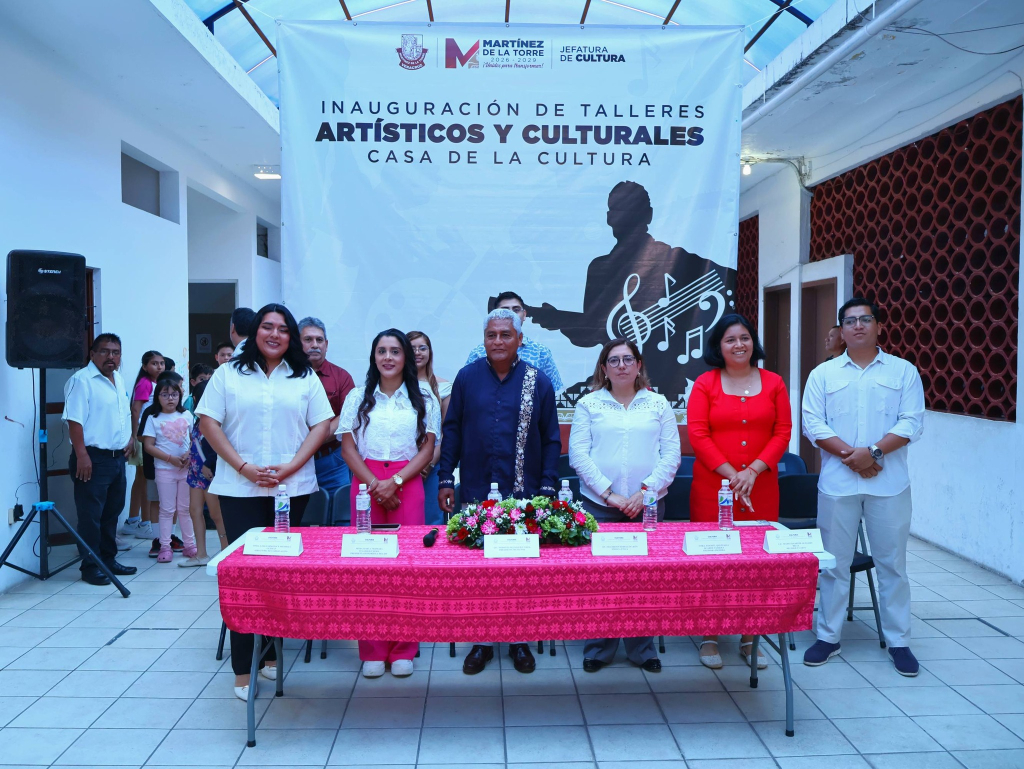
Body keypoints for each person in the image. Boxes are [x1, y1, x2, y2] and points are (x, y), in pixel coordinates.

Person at [197, 303, 334, 700]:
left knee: (278, 574)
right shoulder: (228, 374)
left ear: (291, 337)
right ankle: (244, 667)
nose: (275, 334)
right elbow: (208, 422)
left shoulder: (304, 376)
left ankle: (272, 654)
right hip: (239, 489)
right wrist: (242, 467)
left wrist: (292, 466)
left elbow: (322, 424)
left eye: (283, 329)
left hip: (292, 490)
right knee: (243, 577)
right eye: (267, 327)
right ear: (255, 331)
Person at [525, 181, 736, 405]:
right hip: (615, 378)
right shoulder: (600, 268)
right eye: (616, 210)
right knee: (562, 405)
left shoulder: (675, 259)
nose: (622, 217)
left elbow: (726, 279)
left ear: (648, 215)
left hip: (666, 382)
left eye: (630, 210)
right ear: (609, 217)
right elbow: (592, 332)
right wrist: (554, 318)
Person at [801, 297, 925, 677]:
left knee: (892, 565)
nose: (858, 326)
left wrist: (872, 453)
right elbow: (813, 424)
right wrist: (853, 456)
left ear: (878, 326)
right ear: (841, 330)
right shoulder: (823, 375)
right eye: (850, 321)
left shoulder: (903, 371)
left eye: (865, 319)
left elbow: (912, 422)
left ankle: (899, 641)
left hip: (889, 485)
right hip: (838, 484)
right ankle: (828, 637)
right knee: (834, 564)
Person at [439, 308, 561, 675]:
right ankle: (482, 641)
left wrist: (548, 485)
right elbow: (452, 430)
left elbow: (551, 440)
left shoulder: (537, 381)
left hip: (525, 492)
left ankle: (519, 640)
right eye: (491, 335)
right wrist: (445, 479)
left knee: (519, 570)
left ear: (519, 340)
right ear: (484, 339)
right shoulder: (467, 378)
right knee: (480, 570)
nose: (498, 341)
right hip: (476, 490)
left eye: (506, 334)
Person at [687, 314, 792, 670]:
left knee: (756, 563)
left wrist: (753, 471)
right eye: (730, 339)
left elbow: (783, 432)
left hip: (760, 488)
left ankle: (750, 638)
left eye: (744, 337)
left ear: (753, 342)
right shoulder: (705, 383)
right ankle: (710, 635)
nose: (738, 345)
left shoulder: (774, 382)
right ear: (719, 346)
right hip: (713, 488)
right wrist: (735, 476)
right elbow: (698, 434)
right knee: (713, 562)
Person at [569, 338, 680, 673]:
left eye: (627, 359)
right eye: (613, 360)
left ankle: (642, 650)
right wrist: (609, 494)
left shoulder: (658, 403)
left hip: (648, 506)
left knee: (644, 579)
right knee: (602, 580)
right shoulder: (589, 404)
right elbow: (579, 455)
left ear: (638, 365)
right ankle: (598, 649)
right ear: (604, 368)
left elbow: (671, 456)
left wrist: (645, 492)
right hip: (600, 506)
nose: (621, 365)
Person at [339, 329, 439, 678]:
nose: (388, 357)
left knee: (406, 567)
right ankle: (372, 649)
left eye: (395, 351)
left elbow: (427, 448)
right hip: (365, 480)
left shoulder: (423, 396)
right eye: (381, 351)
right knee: (367, 566)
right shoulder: (357, 396)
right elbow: (347, 447)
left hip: (407, 481)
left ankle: (403, 649)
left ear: (405, 357)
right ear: (373, 356)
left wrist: (394, 482)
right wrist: (374, 484)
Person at [62, 334, 138, 586]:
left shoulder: (118, 378)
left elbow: (122, 414)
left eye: (116, 352)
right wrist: (82, 455)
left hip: (117, 458)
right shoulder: (81, 380)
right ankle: (90, 566)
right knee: (91, 516)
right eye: (104, 351)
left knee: (112, 513)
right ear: (92, 354)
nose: (111, 357)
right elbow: (74, 421)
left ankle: (108, 560)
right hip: (91, 458)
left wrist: (129, 438)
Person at [299, 317, 355, 510]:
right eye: (308, 340)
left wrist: (312, 440)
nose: (315, 345)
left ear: (326, 344)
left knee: (340, 516)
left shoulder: (341, 377)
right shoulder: (286, 376)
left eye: (319, 340)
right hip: (293, 462)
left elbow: (346, 417)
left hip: (332, 462)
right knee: (297, 518)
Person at [141, 380, 196, 563]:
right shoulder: (153, 418)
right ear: (158, 397)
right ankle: (165, 546)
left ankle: (190, 545)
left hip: (185, 469)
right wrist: (169, 458)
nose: (170, 398)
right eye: (165, 395)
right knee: (166, 509)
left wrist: (188, 454)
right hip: (164, 469)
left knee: (185, 509)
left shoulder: (187, 415)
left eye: (174, 394)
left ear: (180, 396)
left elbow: (194, 439)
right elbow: (148, 446)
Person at [465, 291, 563, 393]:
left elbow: (554, 392)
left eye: (516, 310)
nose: (511, 314)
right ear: (494, 315)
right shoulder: (478, 353)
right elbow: (465, 390)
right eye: (505, 310)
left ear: (524, 315)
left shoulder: (541, 352)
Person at [181, 379, 226, 567]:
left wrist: (209, 464)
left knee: (217, 515)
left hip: (210, 473)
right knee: (194, 511)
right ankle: (201, 554)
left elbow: (219, 447)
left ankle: (225, 553)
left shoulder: (218, 422)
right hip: (195, 472)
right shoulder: (197, 421)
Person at [408, 330, 450, 525]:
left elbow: (446, 432)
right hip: (400, 465)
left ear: (430, 352)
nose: (417, 352)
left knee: (431, 522)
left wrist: (428, 464)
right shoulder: (394, 386)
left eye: (422, 348)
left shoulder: (444, 387)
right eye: (412, 348)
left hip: (432, 465)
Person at [121, 350, 164, 541]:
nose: (159, 367)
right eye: (154, 363)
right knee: (146, 480)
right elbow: (136, 409)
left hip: (147, 436)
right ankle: (145, 523)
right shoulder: (145, 383)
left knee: (141, 480)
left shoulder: (155, 383)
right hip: (143, 437)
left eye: (161, 363)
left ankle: (132, 521)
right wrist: (135, 435)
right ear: (145, 367)